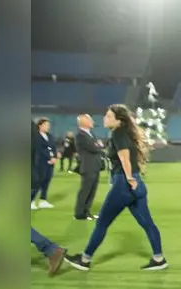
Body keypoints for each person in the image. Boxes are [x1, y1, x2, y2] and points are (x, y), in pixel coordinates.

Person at [64, 104, 168, 272]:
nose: (104, 118)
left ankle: (84, 260)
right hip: (136, 183)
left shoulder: (118, 133)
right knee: (148, 223)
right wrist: (134, 179)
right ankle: (159, 258)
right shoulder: (125, 133)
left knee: (102, 223)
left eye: (108, 116)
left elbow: (124, 158)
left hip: (124, 185)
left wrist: (128, 178)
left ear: (119, 120)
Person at [74, 113, 103, 221]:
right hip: (88, 166)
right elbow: (94, 148)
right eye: (90, 120)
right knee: (85, 191)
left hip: (95, 166)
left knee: (92, 191)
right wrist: (98, 145)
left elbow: (97, 146)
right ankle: (79, 213)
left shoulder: (91, 134)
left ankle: (87, 212)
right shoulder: (81, 135)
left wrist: (98, 146)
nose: (92, 121)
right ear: (84, 122)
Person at [31, 118, 57, 210]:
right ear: (40, 125)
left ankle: (43, 200)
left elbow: (53, 147)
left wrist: (54, 157)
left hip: (50, 163)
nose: (48, 127)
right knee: (37, 182)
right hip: (40, 162)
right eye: (46, 125)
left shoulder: (50, 136)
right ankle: (31, 200)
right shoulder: (35, 136)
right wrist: (49, 158)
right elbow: (39, 149)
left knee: (46, 181)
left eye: (48, 125)